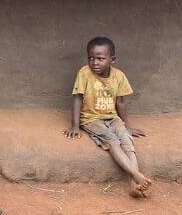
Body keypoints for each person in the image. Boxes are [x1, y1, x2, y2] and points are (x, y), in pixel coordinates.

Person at [64, 36, 152, 198]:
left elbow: (121, 104)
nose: (94, 62)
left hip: (112, 117)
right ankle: (136, 175)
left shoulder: (119, 76)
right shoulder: (84, 73)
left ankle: (134, 184)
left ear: (112, 59)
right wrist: (75, 125)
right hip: (91, 119)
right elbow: (77, 98)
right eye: (90, 58)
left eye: (100, 58)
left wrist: (127, 125)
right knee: (112, 141)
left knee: (126, 140)